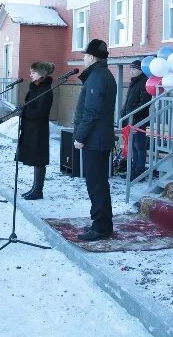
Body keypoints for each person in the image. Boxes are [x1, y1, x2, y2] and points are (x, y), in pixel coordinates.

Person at [73, 39, 117, 241]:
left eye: (85, 55)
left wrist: (81, 136)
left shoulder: (98, 77)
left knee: (96, 184)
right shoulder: (100, 74)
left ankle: (101, 227)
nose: (83, 58)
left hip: (95, 140)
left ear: (91, 57)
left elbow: (92, 111)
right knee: (98, 183)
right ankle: (101, 223)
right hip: (97, 138)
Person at [18, 61, 55, 201]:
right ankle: (34, 188)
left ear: (41, 74)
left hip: (39, 130)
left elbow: (41, 111)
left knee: (39, 160)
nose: (30, 74)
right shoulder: (35, 88)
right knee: (35, 159)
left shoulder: (45, 90)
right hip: (31, 129)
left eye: (33, 72)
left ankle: (38, 190)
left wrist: (26, 112)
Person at [122, 59, 152, 181]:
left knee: (139, 146)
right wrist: (123, 113)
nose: (131, 71)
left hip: (140, 120)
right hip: (131, 120)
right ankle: (133, 170)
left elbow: (144, 103)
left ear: (140, 70)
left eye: (134, 69)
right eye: (130, 69)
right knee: (133, 146)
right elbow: (128, 100)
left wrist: (131, 114)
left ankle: (140, 171)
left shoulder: (145, 82)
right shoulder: (133, 82)